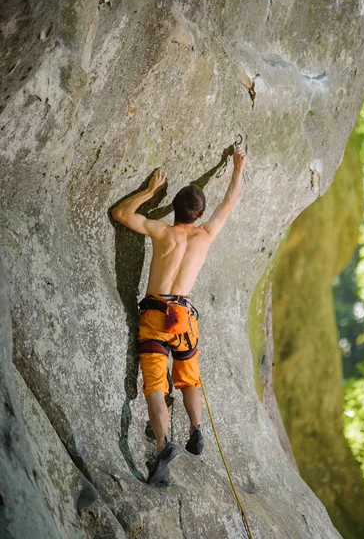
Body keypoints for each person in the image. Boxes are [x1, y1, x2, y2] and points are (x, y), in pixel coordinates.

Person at [111, 146, 246, 485]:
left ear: (173, 209)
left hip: (156, 315)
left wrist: (149, 191)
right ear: (199, 217)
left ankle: (163, 445)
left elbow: (121, 214)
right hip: (184, 319)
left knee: (156, 385)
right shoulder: (205, 234)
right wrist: (237, 166)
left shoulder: (162, 231)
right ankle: (196, 430)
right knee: (188, 378)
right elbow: (228, 203)